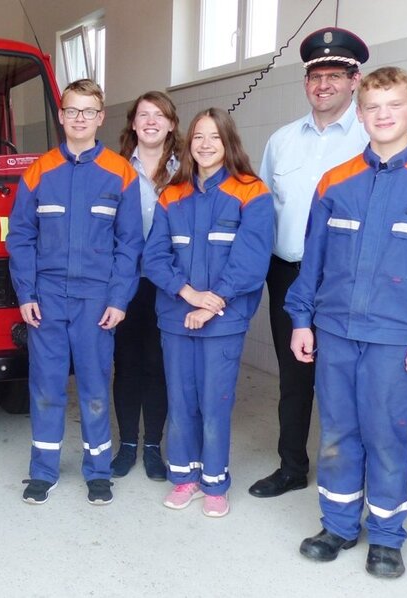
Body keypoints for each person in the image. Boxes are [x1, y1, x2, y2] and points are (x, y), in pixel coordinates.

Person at [287, 66, 407, 579]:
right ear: (359, 114)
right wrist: (301, 320)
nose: (383, 115)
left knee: (386, 434)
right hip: (336, 334)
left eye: (394, 105)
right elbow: (310, 261)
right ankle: (339, 525)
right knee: (337, 432)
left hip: (395, 340)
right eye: (373, 107)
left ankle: (385, 536)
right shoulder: (335, 182)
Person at [7, 78, 143, 506]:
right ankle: (42, 472)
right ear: (61, 116)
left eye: (88, 111)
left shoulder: (121, 173)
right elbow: (21, 236)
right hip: (46, 298)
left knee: (95, 387)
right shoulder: (39, 171)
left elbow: (131, 244)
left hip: (96, 301)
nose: (79, 118)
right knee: (45, 386)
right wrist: (26, 293)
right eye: (71, 111)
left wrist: (119, 299)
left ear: (101, 118)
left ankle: (98, 472)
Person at [250, 27, 370, 499]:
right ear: (305, 82)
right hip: (288, 273)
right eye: (316, 75)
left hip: (347, 278)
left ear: (355, 79)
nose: (324, 84)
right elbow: (261, 210)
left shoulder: (370, 137)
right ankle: (292, 467)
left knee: (345, 378)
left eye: (335, 75)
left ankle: (348, 474)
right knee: (294, 378)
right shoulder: (281, 140)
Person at [142, 108, 273, 518]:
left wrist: (212, 302)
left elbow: (250, 261)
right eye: (198, 136)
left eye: (214, 137)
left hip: (224, 321)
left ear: (228, 141)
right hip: (177, 315)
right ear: (187, 143)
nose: (204, 144)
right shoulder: (172, 194)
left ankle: (215, 482)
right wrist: (189, 295)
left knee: (215, 402)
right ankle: (184, 478)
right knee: (181, 401)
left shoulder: (252, 192)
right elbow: (155, 256)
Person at [110, 91, 181, 481]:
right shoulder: (116, 168)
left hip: (170, 284)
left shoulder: (187, 168)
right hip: (128, 281)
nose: (151, 121)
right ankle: (127, 446)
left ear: (171, 123)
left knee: (160, 366)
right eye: (143, 115)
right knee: (127, 365)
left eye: (159, 115)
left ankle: (153, 446)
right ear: (133, 124)